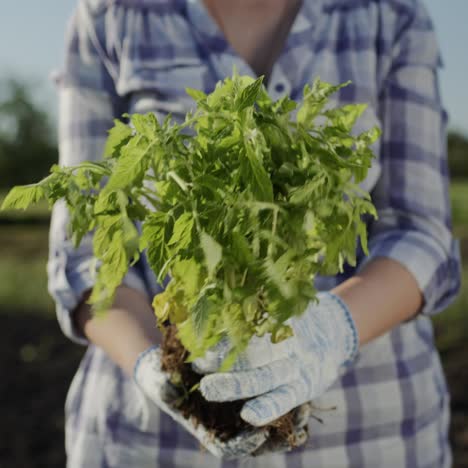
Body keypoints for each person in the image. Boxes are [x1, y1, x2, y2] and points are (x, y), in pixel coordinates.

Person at [48, 0, 462, 466]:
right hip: (149, 444)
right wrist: (151, 365)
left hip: (370, 438)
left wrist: (333, 331)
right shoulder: (112, 15)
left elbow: (420, 233)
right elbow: (85, 257)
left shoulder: (389, 14)